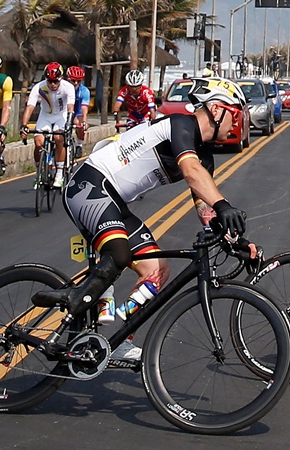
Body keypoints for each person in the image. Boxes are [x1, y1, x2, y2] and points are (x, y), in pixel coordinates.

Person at [32, 77, 248, 361]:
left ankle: (121, 339)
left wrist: (239, 242)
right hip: (89, 185)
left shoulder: (205, 157)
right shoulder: (180, 126)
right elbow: (192, 172)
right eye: (235, 115)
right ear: (217, 110)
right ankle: (74, 300)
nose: (238, 123)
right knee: (119, 253)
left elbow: (205, 211)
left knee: (157, 271)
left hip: (114, 201)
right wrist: (224, 204)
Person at [19, 62, 75, 188]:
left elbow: (71, 107)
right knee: (38, 143)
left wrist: (69, 122)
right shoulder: (39, 87)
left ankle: (59, 174)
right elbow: (30, 107)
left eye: (55, 81)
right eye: (50, 81)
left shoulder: (68, 87)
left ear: (60, 79)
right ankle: (39, 171)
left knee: (58, 138)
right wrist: (24, 125)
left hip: (61, 115)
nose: (53, 84)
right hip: (45, 116)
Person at [66, 66, 90, 159]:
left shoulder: (84, 91)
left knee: (78, 123)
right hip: (65, 110)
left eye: (79, 81)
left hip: (77, 111)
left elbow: (84, 108)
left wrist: (84, 122)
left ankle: (79, 145)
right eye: (73, 80)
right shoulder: (63, 88)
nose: (76, 83)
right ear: (68, 79)